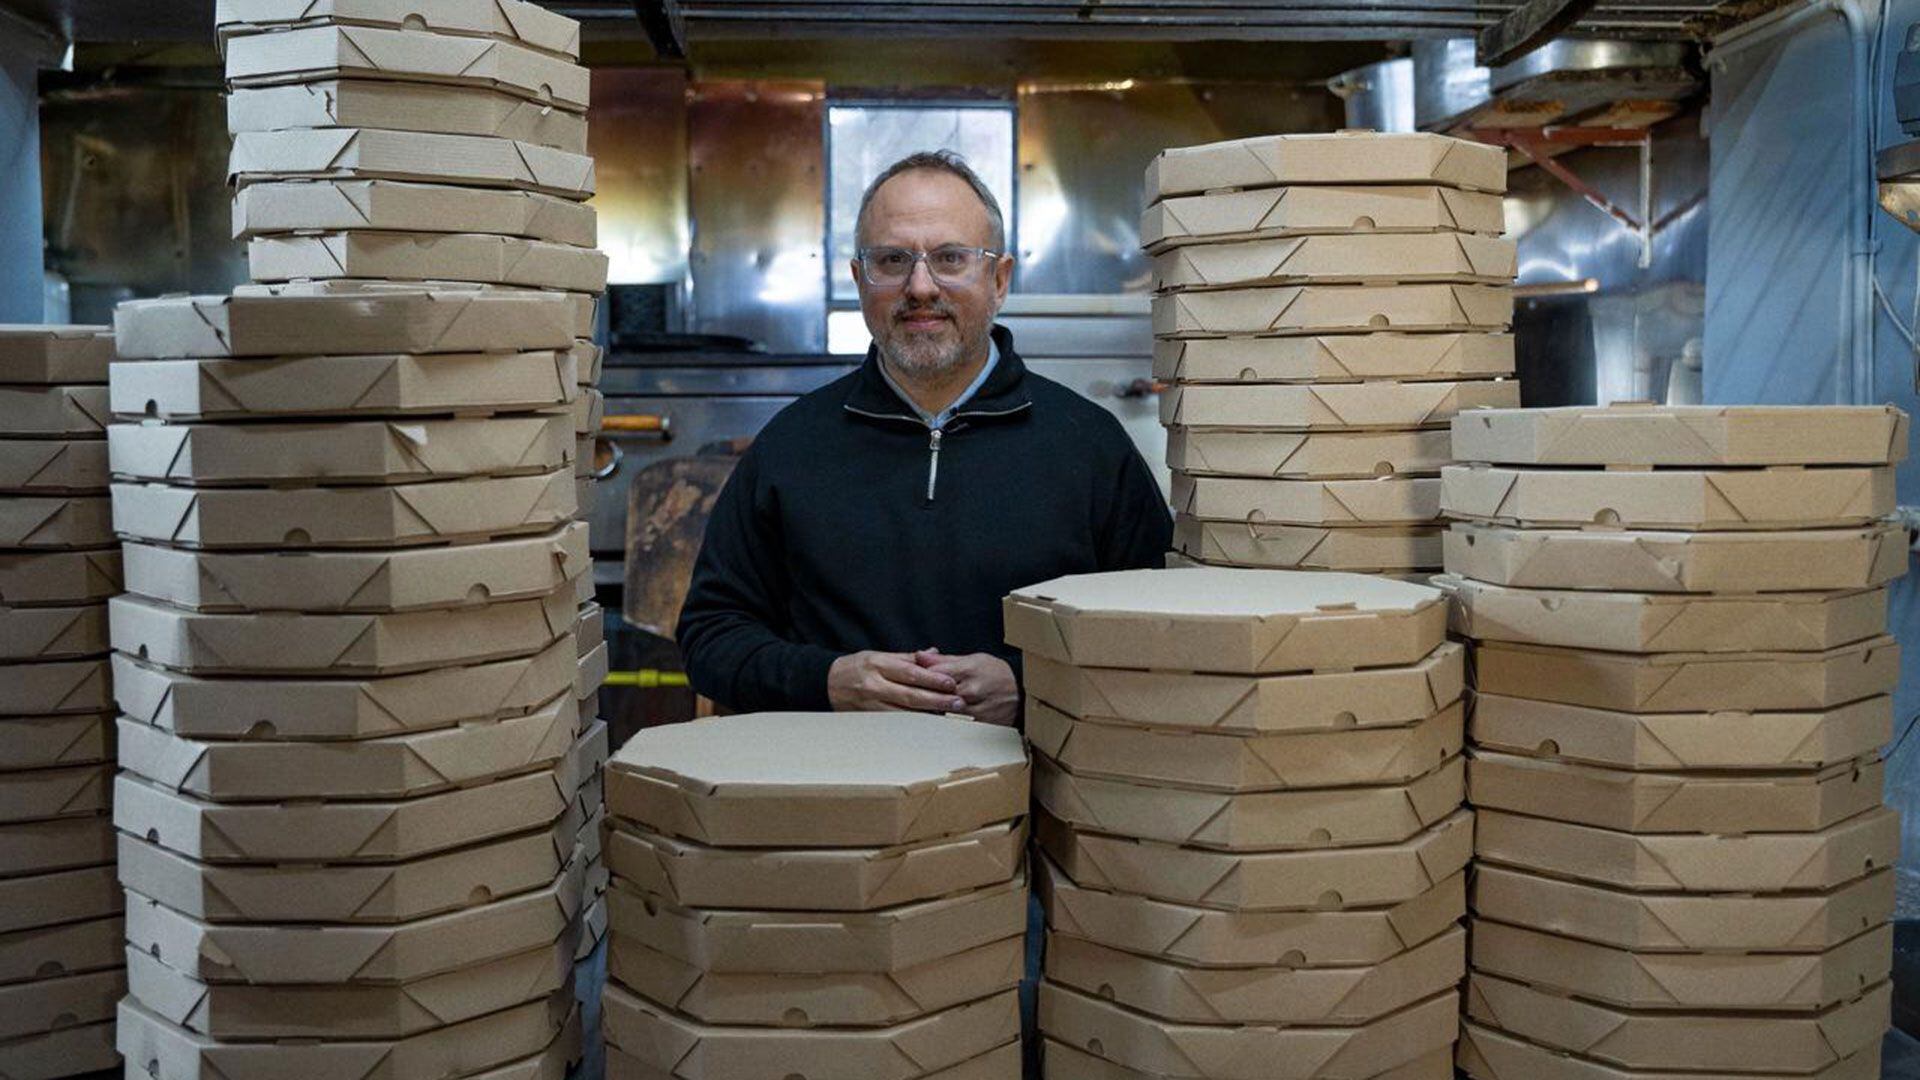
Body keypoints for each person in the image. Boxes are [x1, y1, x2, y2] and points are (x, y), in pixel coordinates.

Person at [677, 149, 1172, 726]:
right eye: (892, 260)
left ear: (1000, 278)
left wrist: (1030, 685)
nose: (919, 287)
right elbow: (711, 638)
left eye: (950, 258)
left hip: (1038, 798)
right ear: (860, 279)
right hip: (835, 795)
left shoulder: (1089, 447)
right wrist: (828, 679)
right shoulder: (791, 447)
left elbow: (1158, 639)